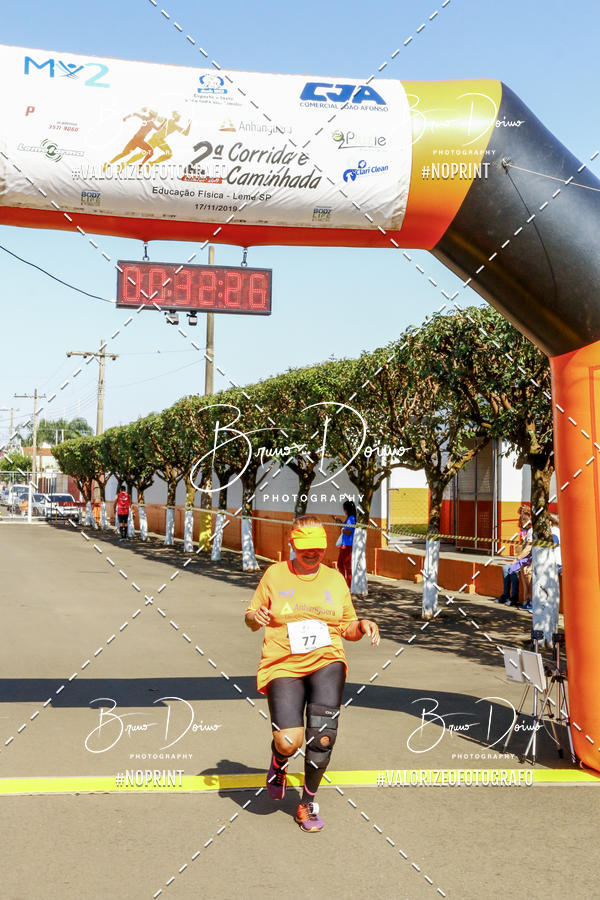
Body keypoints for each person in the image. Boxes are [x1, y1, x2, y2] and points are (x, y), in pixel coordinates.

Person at [245, 515, 379, 833]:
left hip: (327, 660)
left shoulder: (334, 580)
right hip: (283, 664)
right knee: (288, 741)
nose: (312, 553)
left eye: (318, 547)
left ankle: (306, 803)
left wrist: (362, 625)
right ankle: (279, 761)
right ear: (292, 544)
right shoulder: (275, 575)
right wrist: (256, 616)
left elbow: (347, 627)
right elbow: (250, 617)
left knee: (323, 736)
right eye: (305, 547)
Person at [495, 505, 532, 607]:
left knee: (512, 569)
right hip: (524, 558)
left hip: (528, 559)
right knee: (505, 568)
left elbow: (528, 549)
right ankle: (505, 594)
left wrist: (517, 559)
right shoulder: (525, 532)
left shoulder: (531, 532)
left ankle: (514, 597)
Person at [334, 500, 357, 589]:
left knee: (348, 567)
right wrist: (339, 522)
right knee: (340, 565)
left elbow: (348, 531)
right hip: (344, 544)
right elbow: (344, 527)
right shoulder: (349, 518)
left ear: (346, 509)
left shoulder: (351, 519)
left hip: (347, 545)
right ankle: (343, 583)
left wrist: (342, 529)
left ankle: (348, 586)